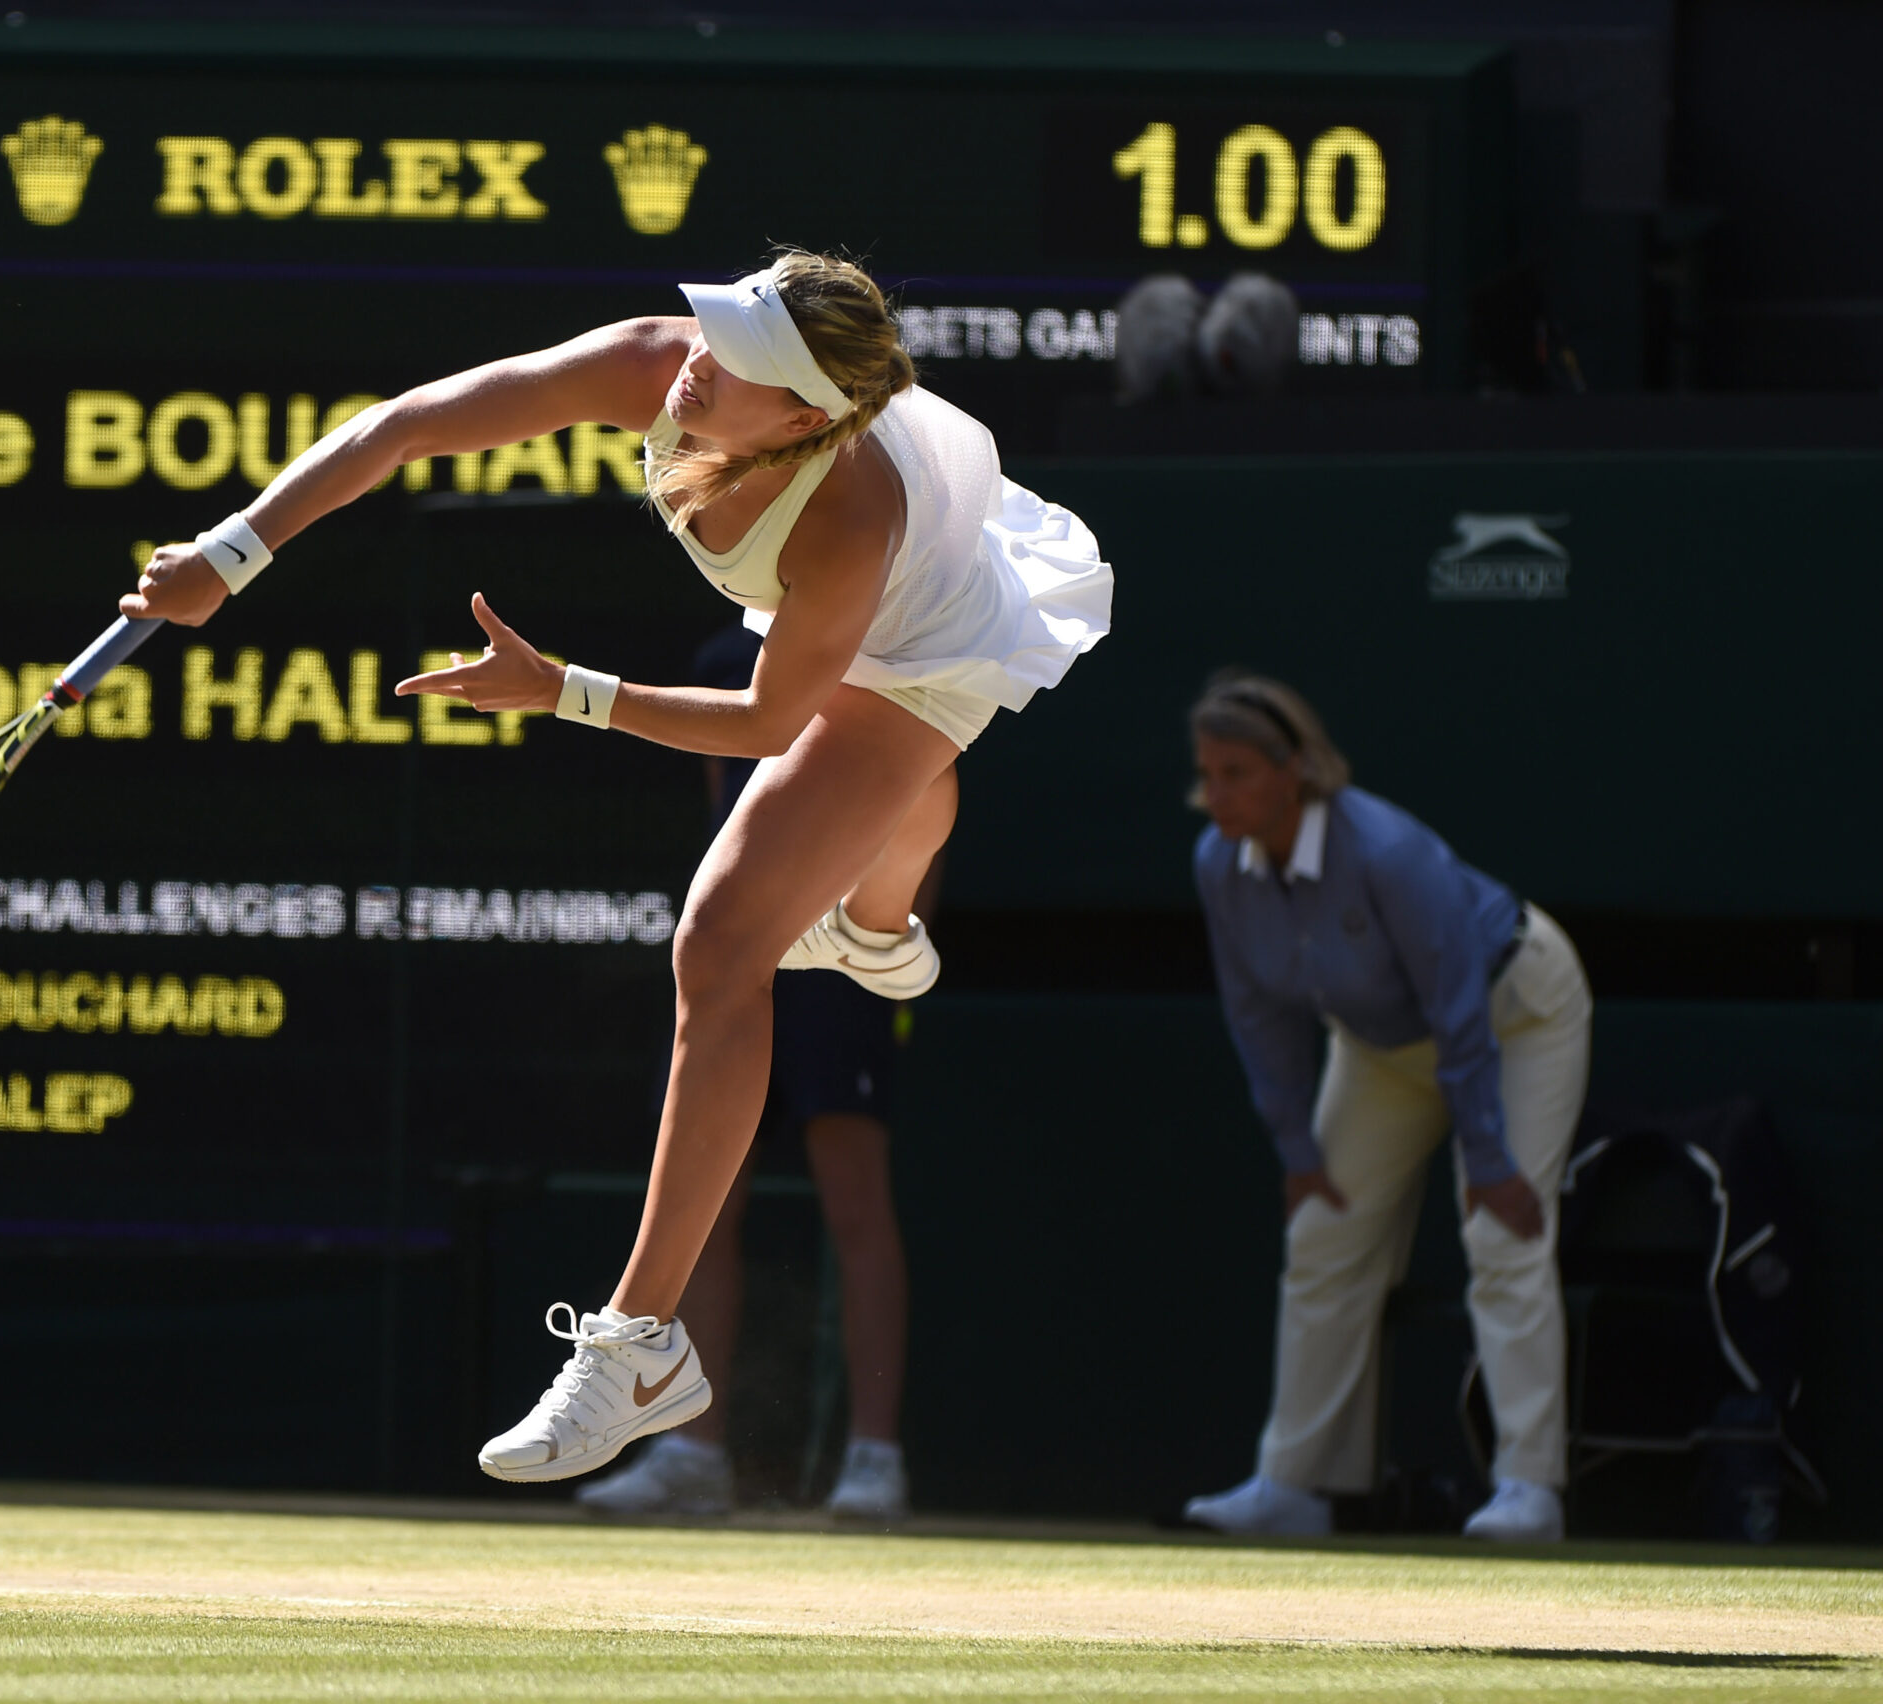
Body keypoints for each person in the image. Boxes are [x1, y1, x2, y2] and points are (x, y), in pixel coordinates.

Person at [123, 250, 1113, 1484]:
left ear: (805, 415)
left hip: (931, 629)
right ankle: (874, 917)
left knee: (724, 934)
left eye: (733, 360)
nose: (695, 361)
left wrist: (563, 692)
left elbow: (765, 723)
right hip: (833, 626)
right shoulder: (662, 365)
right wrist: (234, 550)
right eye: (710, 331)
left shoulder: (854, 516)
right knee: (858, 823)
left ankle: (641, 1346)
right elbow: (408, 424)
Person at [1180, 673, 1592, 1543]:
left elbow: (1457, 1010)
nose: (1215, 794)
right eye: (1208, 773)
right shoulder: (1219, 864)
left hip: (1517, 1010)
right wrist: (1298, 1149)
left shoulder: (1388, 851)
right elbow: (1257, 1013)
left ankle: (1530, 1489)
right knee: (1324, 1232)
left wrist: (1487, 1159)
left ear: (1294, 770)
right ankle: (1296, 1485)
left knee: (1502, 1229)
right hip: (1381, 1049)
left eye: (1237, 773)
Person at [574, 625, 915, 1522]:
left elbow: (917, 813)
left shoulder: (894, 641)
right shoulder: (725, 655)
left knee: (855, 1200)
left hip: (842, 966)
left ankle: (877, 1457)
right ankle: (694, 1455)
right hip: (740, 954)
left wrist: (873, 946)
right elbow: (724, 808)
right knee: (701, 1206)